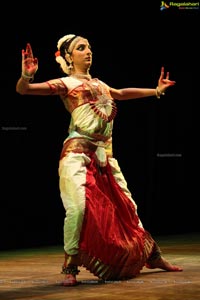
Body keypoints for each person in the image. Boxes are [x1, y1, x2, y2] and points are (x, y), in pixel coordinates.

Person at [16, 34, 183, 286]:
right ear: (69, 57)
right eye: (81, 48)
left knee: (128, 208)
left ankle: (152, 255)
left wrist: (156, 91)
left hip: (105, 157)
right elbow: (24, 90)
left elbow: (122, 93)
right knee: (79, 209)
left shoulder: (100, 84)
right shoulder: (66, 83)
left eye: (89, 47)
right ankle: (70, 265)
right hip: (77, 156)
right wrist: (27, 75)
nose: (88, 51)